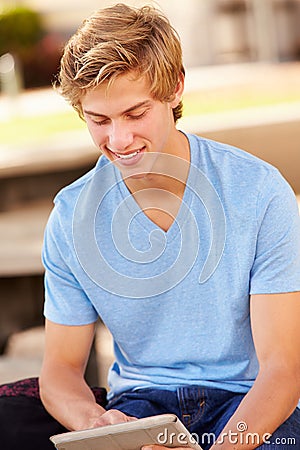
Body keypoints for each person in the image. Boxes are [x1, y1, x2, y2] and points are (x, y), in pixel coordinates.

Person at [1, 3, 299, 450]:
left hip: (252, 406)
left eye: (135, 113)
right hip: (141, 407)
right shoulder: (71, 215)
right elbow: (60, 372)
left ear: (175, 88)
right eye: (98, 120)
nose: (118, 142)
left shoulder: (258, 193)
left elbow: (283, 369)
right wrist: (98, 426)